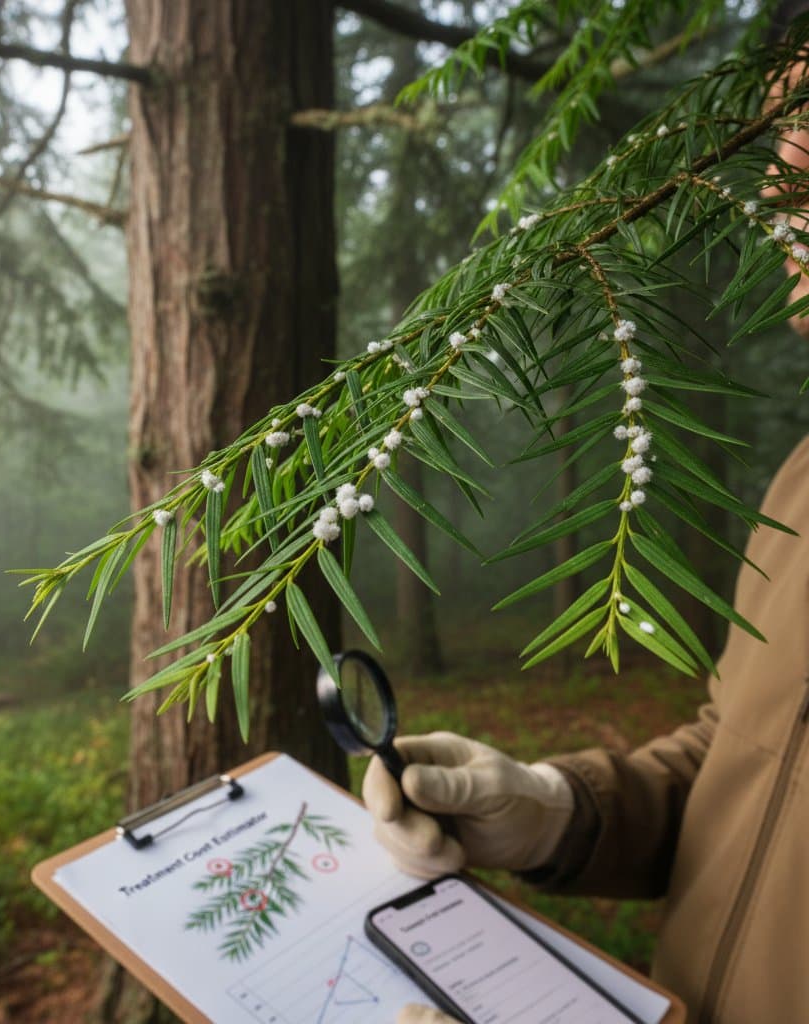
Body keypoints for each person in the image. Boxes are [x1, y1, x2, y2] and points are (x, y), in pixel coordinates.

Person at [364, 39, 809, 1024]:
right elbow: (742, 761)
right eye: (786, 123)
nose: (779, 173)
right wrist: (548, 810)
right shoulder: (801, 482)